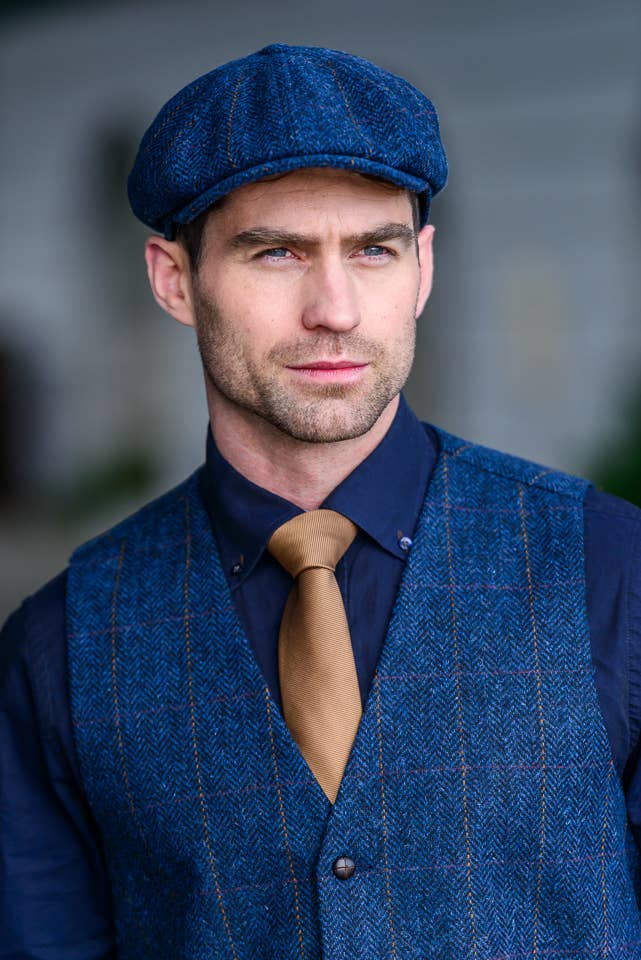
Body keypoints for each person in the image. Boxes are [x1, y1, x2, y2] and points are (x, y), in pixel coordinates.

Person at [1, 41, 641, 960]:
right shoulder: (59, 648)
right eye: (275, 253)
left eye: (372, 250)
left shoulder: (613, 573)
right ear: (174, 279)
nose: (333, 307)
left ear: (421, 267)